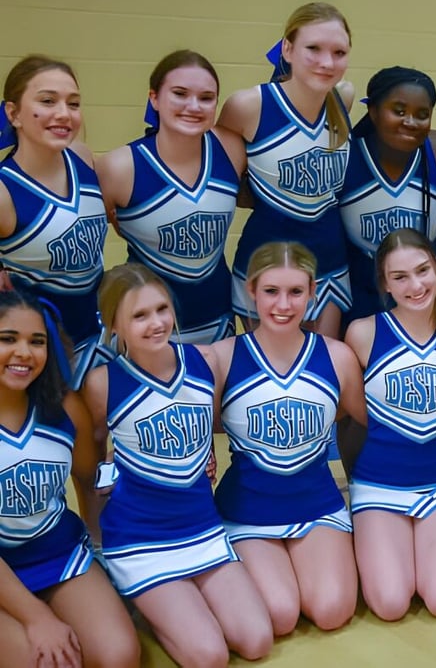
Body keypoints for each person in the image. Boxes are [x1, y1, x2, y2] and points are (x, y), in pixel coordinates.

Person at [82, 264, 272, 666]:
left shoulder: (204, 361)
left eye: (162, 309)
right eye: (139, 315)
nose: (156, 323)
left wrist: (208, 456)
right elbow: (94, 452)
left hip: (202, 527)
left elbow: (209, 429)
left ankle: (172, 608)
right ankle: (143, 602)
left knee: (256, 640)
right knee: (210, 656)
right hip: (141, 539)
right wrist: (104, 498)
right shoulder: (102, 383)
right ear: (113, 324)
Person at [212, 241, 365, 636]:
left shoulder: (338, 356)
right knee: (279, 614)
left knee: (332, 611)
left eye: (296, 291)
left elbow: (362, 417)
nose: (284, 304)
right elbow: (199, 428)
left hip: (316, 504)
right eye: (271, 292)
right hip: (247, 510)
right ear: (251, 291)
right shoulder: (220, 358)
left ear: (313, 292)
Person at [345, 228, 436, 620]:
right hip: (379, 484)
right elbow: (356, 413)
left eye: (422, 270)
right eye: (400, 277)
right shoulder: (363, 333)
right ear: (385, 285)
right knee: (390, 604)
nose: (415, 285)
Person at [0, 288, 140, 668]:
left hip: (57, 553)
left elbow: (91, 477)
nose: (24, 353)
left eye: (37, 341)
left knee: (119, 657)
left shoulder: (64, 407)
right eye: (8, 339)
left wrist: (101, 545)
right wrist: (37, 616)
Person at [218, 2, 354, 338]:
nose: (327, 62)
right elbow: (225, 184)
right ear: (288, 49)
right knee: (265, 380)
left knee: (323, 378)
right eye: (314, 49)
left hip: (330, 262)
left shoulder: (344, 98)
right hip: (265, 262)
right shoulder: (249, 106)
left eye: (339, 52)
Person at [97, 50, 246, 344]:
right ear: (154, 98)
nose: (193, 106)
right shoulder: (119, 167)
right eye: (179, 94)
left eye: (206, 98)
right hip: (146, 329)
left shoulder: (230, 148)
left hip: (218, 321)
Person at [0, 56, 109, 390]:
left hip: (97, 342)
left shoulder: (82, 156)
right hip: (35, 359)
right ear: (13, 113)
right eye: (47, 101)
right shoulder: (5, 191)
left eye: (73, 103)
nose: (64, 113)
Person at [339, 66, 436, 328]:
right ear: (373, 111)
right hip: (359, 295)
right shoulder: (346, 155)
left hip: (423, 297)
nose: (410, 121)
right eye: (399, 111)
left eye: (422, 114)